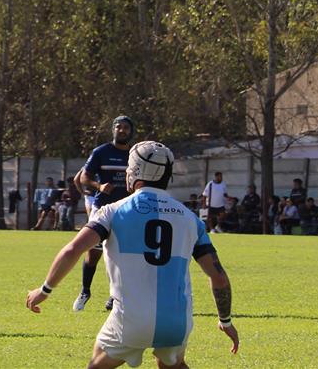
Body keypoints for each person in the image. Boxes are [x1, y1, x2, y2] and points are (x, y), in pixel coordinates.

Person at [26, 141, 239, 368]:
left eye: (128, 168)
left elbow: (73, 250)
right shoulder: (190, 219)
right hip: (176, 322)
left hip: (130, 321)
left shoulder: (112, 211)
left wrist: (45, 289)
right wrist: (225, 321)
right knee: (173, 364)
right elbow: (219, 277)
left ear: (136, 171)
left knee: (96, 366)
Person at [72, 116, 136, 312]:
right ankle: (85, 291)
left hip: (126, 209)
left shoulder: (136, 154)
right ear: (113, 130)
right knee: (93, 253)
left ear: (131, 131)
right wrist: (99, 185)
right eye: (119, 127)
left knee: (122, 255)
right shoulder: (101, 152)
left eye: (126, 127)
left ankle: (114, 296)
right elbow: (84, 176)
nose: (122, 130)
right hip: (102, 207)